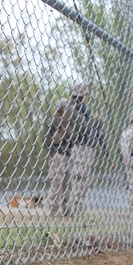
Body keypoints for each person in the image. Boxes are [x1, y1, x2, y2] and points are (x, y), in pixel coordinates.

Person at [46, 84, 103, 216]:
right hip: (60, 153)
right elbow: (47, 136)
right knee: (58, 183)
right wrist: (51, 150)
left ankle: (66, 210)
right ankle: (54, 210)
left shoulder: (73, 114)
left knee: (67, 183)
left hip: (68, 152)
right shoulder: (60, 118)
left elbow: (74, 134)